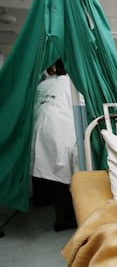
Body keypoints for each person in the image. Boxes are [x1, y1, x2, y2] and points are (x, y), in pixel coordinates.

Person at [31, 59, 77, 231]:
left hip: (39, 126)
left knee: (43, 165)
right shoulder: (73, 84)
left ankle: (42, 201)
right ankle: (63, 220)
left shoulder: (46, 84)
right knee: (62, 173)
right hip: (58, 129)